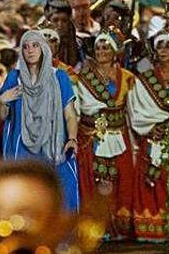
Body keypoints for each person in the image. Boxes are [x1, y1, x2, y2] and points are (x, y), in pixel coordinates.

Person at [0, 30, 81, 212]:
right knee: (26, 192)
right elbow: (1, 116)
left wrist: (72, 138)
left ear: (43, 49)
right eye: (26, 46)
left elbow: (70, 114)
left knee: (62, 188)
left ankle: (61, 236)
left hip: (55, 144)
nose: (30, 50)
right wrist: (2, 102)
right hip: (23, 146)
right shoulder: (14, 77)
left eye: (35, 45)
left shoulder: (59, 77)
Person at [124, 31, 169, 242]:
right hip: (152, 137)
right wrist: (151, 126)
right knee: (150, 179)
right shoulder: (144, 80)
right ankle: (151, 228)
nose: (162, 50)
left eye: (167, 46)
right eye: (159, 45)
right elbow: (135, 109)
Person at [73, 33, 137, 239]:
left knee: (122, 177)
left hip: (121, 134)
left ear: (115, 51)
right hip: (95, 136)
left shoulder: (128, 77)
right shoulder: (83, 79)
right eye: (98, 48)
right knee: (98, 180)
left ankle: (121, 225)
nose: (101, 52)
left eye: (106, 48)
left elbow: (133, 109)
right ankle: (99, 226)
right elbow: (79, 109)